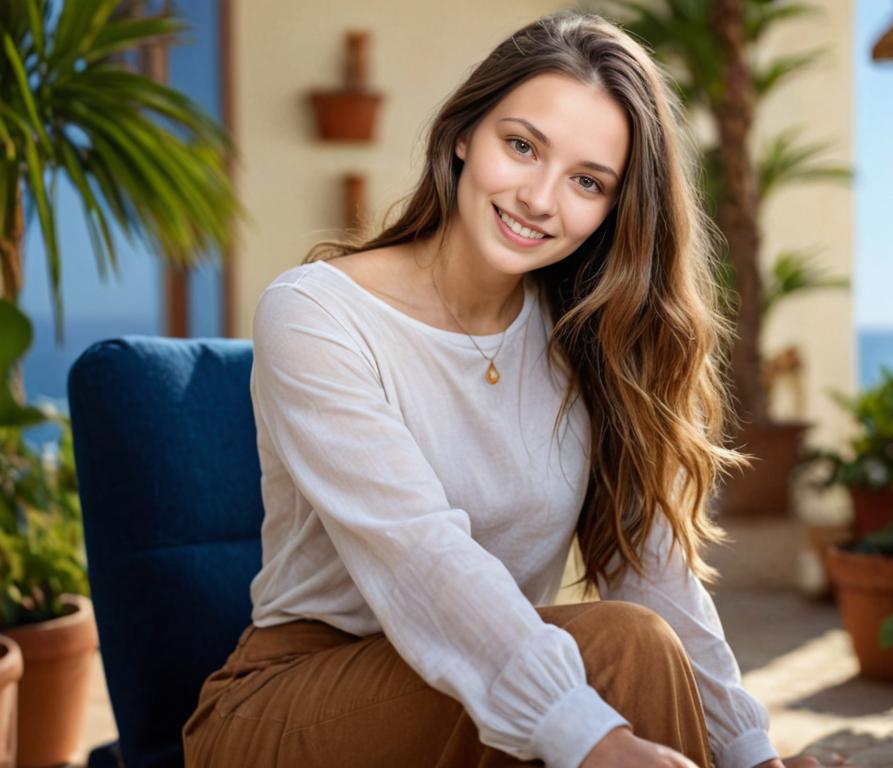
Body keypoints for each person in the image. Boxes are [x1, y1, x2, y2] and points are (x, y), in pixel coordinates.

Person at [183, 10, 823, 768]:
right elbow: (421, 558)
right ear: (463, 135)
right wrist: (598, 741)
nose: (540, 199)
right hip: (290, 703)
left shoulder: (587, 338)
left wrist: (755, 755)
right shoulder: (318, 315)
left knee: (635, 641)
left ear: (615, 212)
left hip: (486, 686)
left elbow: (654, 573)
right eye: (521, 146)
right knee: (621, 652)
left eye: (587, 182)